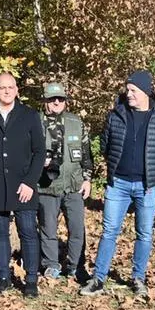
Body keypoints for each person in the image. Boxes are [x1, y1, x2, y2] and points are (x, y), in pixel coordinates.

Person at [81, 70, 155, 298]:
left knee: (144, 233)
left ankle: (138, 278)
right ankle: (98, 279)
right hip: (118, 184)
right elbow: (105, 145)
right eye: (127, 90)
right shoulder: (116, 115)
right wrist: (114, 168)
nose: (128, 94)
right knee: (109, 232)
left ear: (145, 91)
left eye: (133, 90)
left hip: (148, 186)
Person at [0, 73, 46, 297]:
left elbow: (39, 152)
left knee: (27, 232)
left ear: (17, 90)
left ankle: (31, 280)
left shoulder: (29, 115)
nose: (6, 91)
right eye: (2, 87)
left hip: (22, 184)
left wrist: (29, 182)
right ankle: (3, 277)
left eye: (11, 87)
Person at [37, 82, 93, 283]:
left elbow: (86, 154)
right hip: (46, 186)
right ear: (45, 101)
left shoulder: (76, 122)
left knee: (77, 228)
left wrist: (87, 179)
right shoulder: (35, 122)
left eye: (60, 99)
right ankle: (51, 265)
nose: (57, 102)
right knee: (48, 228)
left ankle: (75, 265)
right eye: (52, 99)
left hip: (73, 186)